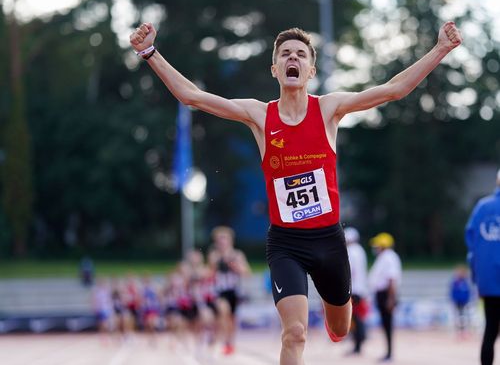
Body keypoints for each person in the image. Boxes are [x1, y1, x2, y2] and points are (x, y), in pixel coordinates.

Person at [129, 20, 461, 364]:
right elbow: (192, 97)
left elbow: (393, 90)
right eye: (285, 54)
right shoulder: (259, 115)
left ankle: (333, 303)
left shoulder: (329, 108)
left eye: (301, 54)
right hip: (286, 243)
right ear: (275, 69)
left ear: (310, 69)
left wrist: (440, 49)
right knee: (295, 333)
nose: (293, 58)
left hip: (330, 242)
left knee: (341, 328)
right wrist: (149, 52)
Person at [465, 168, 500, 365]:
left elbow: (472, 245)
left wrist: (477, 277)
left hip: (489, 282)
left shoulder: (482, 207)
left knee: (490, 330)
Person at [207, 226, 251, 355]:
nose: (222, 242)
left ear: (230, 240)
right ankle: (222, 339)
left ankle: (229, 342)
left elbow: (247, 272)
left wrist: (233, 265)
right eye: (219, 239)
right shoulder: (214, 256)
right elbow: (209, 274)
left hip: (234, 291)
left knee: (232, 320)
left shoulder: (237, 255)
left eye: (224, 238)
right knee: (223, 311)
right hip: (220, 291)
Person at [368, 232, 402, 362]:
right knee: (385, 324)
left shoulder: (389, 257)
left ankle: (389, 353)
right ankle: (387, 352)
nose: (375, 248)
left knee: (388, 324)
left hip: (386, 294)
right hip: (383, 294)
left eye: (377, 245)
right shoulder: (384, 257)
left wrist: (391, 299)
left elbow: (392, 279)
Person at [344, 227, 369, 355]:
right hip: (361, 288)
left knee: (355, 317)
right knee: (358, 316)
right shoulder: (360, 251)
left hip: (353, 288)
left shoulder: (351, 251)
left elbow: (349, 271)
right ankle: (359, 341)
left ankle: (358, 343)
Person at [449, 264, 472, 339]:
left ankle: (465, 331)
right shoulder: (455, 282)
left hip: (465, 302)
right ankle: (459, 332)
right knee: (458, 317)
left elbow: (468, 292)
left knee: (465, 317)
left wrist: (467, 300)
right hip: (458, 302)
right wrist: (454, 300)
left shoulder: (465, 282)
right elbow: (453, 292)